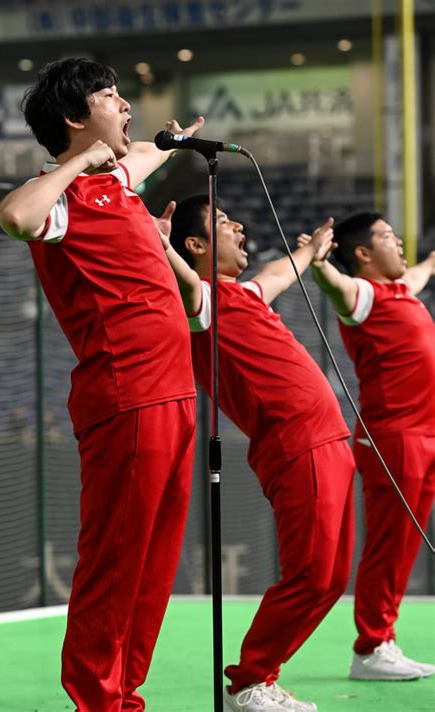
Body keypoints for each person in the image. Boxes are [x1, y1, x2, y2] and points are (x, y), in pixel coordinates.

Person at [0, 57, 204, 711]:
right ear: (73, 118)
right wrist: (72, 163)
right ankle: (96, 700)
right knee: (115, 562)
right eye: (110, 97)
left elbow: (142, 150)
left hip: (175, 396)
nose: (125, 105)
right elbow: (14, 217)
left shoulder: (116, 181)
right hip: (129, 398)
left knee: (152, 566)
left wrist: (160, 146)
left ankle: (124, 695)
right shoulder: (64, 199)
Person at [164, 195, 356, 712]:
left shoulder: (244, 293)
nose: (239, 225)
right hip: (298, 446)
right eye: (223, 222)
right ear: (196, 245)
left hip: (331, 441)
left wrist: (313, 250)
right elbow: (179, 276)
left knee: (333, 579)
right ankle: (248, 683)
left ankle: (258, 679)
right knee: (311, 575)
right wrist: (157, 242)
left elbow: (278, 272)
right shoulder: (200, 300)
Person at [302, 211, 435, 681]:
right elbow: (335, 284)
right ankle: (371, 647)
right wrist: (319, 264)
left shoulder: (402, 291)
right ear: (362, 253)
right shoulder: (362, 295)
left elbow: (418, 272)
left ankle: (385, 641)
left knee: (403, 547)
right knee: (388, 544)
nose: (399, 243)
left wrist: (432, 262)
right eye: (388, 237)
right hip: (393, 439)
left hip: (425, 437)